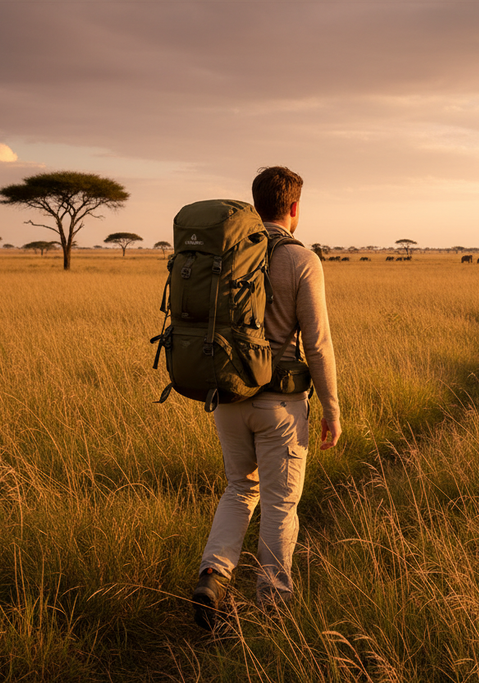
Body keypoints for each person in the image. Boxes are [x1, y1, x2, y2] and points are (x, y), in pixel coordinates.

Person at [193, 166, 341, 630]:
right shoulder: (302, 258)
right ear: (295, 207)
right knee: (280, 503)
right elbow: (316, 344)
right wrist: (332, 409)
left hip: (230, 396)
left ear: (255, 206)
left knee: (240, 488)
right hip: (280, 405)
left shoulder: (229, 252)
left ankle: (213, 577)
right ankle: (273, 608)